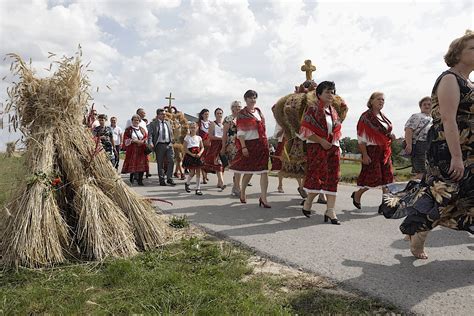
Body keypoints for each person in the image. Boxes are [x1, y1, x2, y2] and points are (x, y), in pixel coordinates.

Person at [381, 30, 474, 259]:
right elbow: (448, 119)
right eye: (472, 48)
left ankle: (417, 231)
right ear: (457, 54)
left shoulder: (468, 82)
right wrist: (456, 156)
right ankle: (417, 233)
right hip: (450, 150)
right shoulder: (450, 78)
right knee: (443, 195)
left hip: (470, 151)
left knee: (468, 197)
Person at [298, 81, 342, 224]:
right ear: (319, 94)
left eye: (332, 92)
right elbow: (305, 132)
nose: (331, 94)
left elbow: (336, 132)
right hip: (317, 149)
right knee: (317, 179)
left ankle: (330, 210)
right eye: (327, 92)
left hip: (332, 149)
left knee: (332, 179)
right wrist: (321, 141)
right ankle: (308, 202)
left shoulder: (334, 112)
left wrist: (337, 146)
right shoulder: (312, 110)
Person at [352, 92, 396, 210]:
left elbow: (384, 132)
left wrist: (391, 135)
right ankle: (357, 194)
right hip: (372, 151)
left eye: (383, 100)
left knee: (387, 178)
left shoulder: (383, 116)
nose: (381, 101)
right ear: (371, 101)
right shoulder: (365, 117)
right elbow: (361, 139)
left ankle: (385, 204)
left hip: (385, 150)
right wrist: (364, 155)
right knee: (373, 179)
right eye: (378, 99)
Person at [229, 90, 271, 208]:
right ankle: (242, 192)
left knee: (264, 171)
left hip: (262, 144)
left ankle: (263, 197)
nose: (253, 100)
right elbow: (240, 132)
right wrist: (243, 147)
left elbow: (263, 128)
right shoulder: (242, 114)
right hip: (249, 144)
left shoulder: (258, 112)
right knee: (249, 171)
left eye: (254, 97)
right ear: (245, 99)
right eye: (250, 98)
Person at [271, 122, 308, 199]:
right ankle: (280, 185)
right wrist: (284, 129)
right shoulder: (280, 121)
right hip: (283, 143)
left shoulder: (294, 119)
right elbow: (276, 135)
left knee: (297, 164)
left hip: (295, 143)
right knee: (281, 165)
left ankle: (300, 187)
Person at [403, 97, 432, 179]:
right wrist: (409, 144)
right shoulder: (417, 116)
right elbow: (409, 129)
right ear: (420, 106)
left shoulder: (433, 118)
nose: (427, 106)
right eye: (424, 104)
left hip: (429, 146)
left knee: (428, 172)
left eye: (429, 104)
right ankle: (411, 189)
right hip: (419, 145)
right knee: (421, 172)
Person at [147, 109, 175, 186]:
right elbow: (150, 135)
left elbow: (171, 132)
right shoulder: (153, 124)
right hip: (159, 145)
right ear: (158, 115)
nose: (164, 115)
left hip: (169, 144)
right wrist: (150, 143)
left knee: (171, 160)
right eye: (162, 114)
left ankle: (169, 178)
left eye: (164, 114)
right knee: (160, 163)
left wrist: (172, 139)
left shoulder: (168, 123)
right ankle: (162, 179)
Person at [221, 101, 242, 196]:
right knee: (236, 165)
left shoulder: (243, 118)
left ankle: (236, 186)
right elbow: (224, 134)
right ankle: (237, 187)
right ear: (232, 108)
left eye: (239, 106)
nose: (238, 108)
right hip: (232, 145)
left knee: (240, 166)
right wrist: (223, 147)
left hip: (242, 143)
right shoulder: (228, 119)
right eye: (236, 106)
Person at [122, 114, 149, 186]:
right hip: (133, 150)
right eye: (134, 120)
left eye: (137, 120)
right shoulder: (128, 130)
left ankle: (140, 180)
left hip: (142, 149)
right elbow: (125, 139)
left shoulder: (142, 129)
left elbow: (146, 137)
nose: (136, 121)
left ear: (139, 121)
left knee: (142, 165)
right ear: (132, 121)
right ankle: (132, 179)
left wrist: (142, 141)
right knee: (133, 163)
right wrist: (134, 141)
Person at [204, 108, 226, 190]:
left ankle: (219, 182)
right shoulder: (213, 124)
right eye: (218, 113)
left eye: (221, 113)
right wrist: (220, 138)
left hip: (223, 145)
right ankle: (222, 182)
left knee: (223, 164)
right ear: (215, 114)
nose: (219, 115)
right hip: (215, 146)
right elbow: (210, 136)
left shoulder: (224, 124)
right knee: (218, 163)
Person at [182, 122, 205, 195]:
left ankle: (198, 188)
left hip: (198, 155)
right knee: (192, 172)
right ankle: (187, 183)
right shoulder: (187, 137)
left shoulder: (199, 138)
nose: (193, 129)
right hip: (190, 155)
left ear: (197, 128)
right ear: (189, 128)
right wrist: (192, 154)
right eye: (191, 127)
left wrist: (200, 153)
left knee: (198, 172)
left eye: (194, 127)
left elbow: (202, 147)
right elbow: (185, 148)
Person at [197, 109, 211, 184]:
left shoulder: (210, 123)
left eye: (207, 114)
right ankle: (204, 177)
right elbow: (196, 133)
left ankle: (206, 174)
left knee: (208, 160)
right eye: (205, 114)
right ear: (202, 115)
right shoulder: (199, 123)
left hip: (209, 143)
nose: (206, 115)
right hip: (201, 143)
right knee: (202, 159)